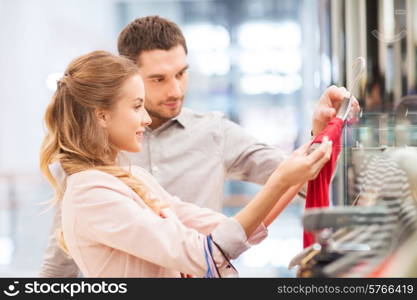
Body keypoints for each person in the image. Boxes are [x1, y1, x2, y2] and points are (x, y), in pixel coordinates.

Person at [39, 16, 358, 277]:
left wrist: (322, 133)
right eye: (158, 80)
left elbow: (238, 226)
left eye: (181, 74)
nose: (175, 89)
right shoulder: (89, 189)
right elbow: (60, 263)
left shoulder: (142, 174)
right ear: (104, 112)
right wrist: (285, 178)